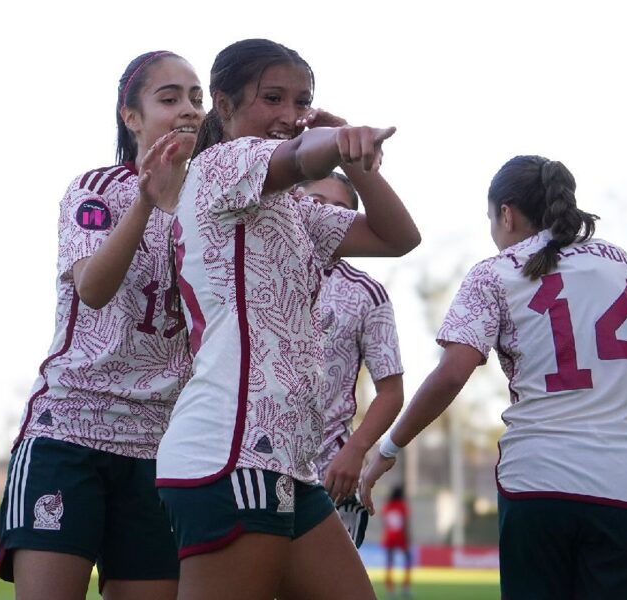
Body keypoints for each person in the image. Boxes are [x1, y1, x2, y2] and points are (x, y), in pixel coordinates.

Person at [146, 38, 420, 600]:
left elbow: (399, 237)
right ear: (222, 106)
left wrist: (351, 156)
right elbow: (296, 157)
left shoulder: (294, 209)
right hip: (232, 450)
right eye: (272, 98)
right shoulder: (222, 164)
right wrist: (333, 140)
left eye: (301, 102)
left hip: (290, 461)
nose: (289, 116)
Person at [361, 155, 627, 599]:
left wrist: (388, 448)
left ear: (506, 214)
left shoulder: (496, 272)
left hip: (539, 484)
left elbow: (452, 375)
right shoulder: (626, 268)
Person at [0, 51, 204, 600]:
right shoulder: (97, 190)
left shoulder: (215, 208)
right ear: (130, 116)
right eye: (169, 97)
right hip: (70, 432)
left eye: (196, 97)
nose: (188, 109)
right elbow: (93, 288)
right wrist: (145, 200)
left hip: (161, 450)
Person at [294, 173, 405, 548]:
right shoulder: (250, 272)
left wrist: (355, 450)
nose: (324, 215)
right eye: (316, 202)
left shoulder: (366, 293)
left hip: (329, 473)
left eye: (339, 211)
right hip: (254, 463)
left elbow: (391, 390)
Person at [381, 485, 412, 599]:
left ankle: (390, 589)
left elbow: (384, 522)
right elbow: (405, 523)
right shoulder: (402, 506)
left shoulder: (387, 506)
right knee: (408, 561)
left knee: (389, 563)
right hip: (400, 536)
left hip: (389, 537)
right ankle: (405, 588)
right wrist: (408, 537)